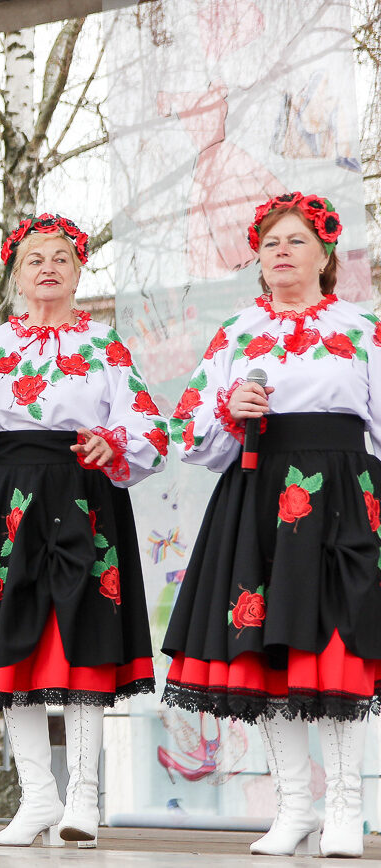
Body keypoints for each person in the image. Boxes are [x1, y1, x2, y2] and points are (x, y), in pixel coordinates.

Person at [0, 214, 166, 848]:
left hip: (82, 492)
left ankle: (84, 796)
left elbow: (148, 427)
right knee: (12, 642)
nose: (47, 266)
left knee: (80, 635)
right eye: (34, 259)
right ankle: (36, 799)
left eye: (61, 257)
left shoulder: (106, 341)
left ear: (80, 270)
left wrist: (115, 445)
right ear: (17, 274)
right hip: (9, 496)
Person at [161, 192, 375, 859]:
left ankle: (347, 808)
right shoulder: (236, 332)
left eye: (296, 241)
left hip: (340, 493)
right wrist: (230, 407)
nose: (282, 253)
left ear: (326, 255)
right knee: (269, 653)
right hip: (258, 496)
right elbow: (188, 432)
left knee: (337, 653)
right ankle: (293, 808)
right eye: (271, 244)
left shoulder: (364, 328)